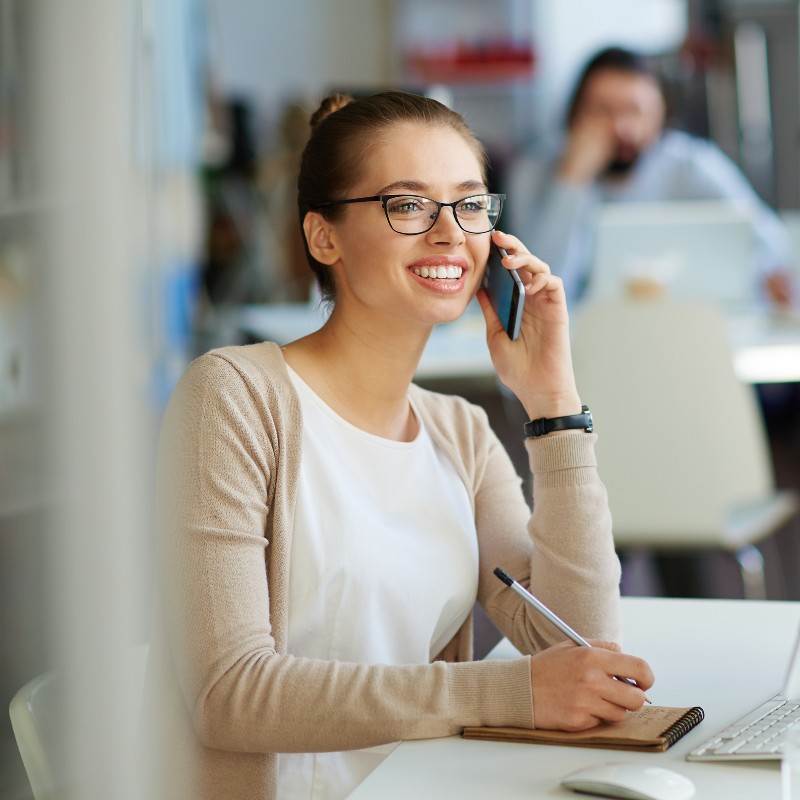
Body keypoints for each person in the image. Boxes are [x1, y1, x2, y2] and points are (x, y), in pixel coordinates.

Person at [148, 90, 654, 800]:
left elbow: (580, 650)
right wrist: (501, 693)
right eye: (409, 206)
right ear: (324, 237)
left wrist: (553, 406)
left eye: (470, 204)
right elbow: (229, 693)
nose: (450, 234)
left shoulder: (458, 431)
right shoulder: (232, 398)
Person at [507, 45, 795, 305]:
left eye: (636, 111)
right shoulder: (534, 172)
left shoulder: (692, 165)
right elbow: (531, 289)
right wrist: (571, 181)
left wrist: (768, 271)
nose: (622, 128)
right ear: (575, 115)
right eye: (603, 111)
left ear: (660, 117)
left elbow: (769, 242)